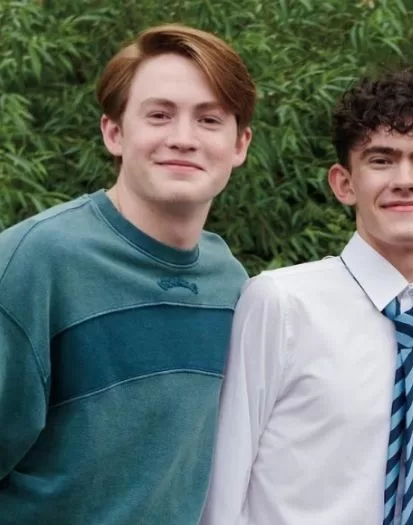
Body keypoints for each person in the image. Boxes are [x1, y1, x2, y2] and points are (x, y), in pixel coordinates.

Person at [199, 65, 413, 525]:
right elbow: (221, 490)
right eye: (381, 159)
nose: (405, 179)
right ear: (344, 183)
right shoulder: (281, 303)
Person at [0, 24, 255, 524]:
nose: (182, 138)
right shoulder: (35, 261)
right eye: (159, 115)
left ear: (240, 144)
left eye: (209, 119)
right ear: (114, 132)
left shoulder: (232, 285)